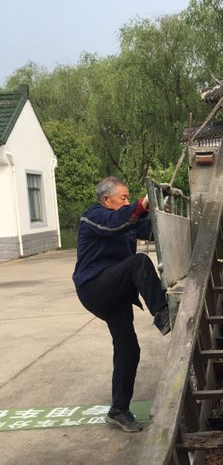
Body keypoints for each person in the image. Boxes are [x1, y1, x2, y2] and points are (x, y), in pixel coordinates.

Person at [73, 177, 171, 432]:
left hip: (115, 292)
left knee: (129, 348)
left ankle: (118, 410)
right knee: (140, 262)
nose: (127, 202)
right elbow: (117, 222)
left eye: (129, 198)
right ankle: (163, 314)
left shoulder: (124, 222)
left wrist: (162, 213)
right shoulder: (94, 216)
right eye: (123, 197)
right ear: (106, 199)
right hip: (95, 288)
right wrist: (143, 203)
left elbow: (148, 229)